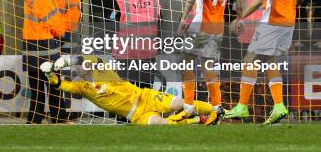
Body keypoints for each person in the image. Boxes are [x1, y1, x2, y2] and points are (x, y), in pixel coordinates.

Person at [226, 0, 305, 124]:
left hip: (272, 20)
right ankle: (279, 106)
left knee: (250, 58)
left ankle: (242, 106)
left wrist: (240, 18)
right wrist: (288, 8)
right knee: (271, 61)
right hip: (288, 22)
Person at [172, 0, 242, 125]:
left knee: (185, 62)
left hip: (201, 26)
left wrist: (182, 21)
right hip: (218, 28)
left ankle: (188, 108)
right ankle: (216, 108)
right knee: (208, 68)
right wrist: (239, 18)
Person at [39, 56, 215, 125]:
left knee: (181, 103)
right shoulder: (81, 87)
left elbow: (95, 59)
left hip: (145, 97)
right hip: (136, 115)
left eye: (78, 66)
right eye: (75, 68)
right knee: (164, 125)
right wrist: (49, 73)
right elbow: (60, 85)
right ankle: (196, 119)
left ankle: (217, 110)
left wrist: (71, 59)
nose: (76, 69)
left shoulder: (102, 71)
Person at [23, 0, 68, 124]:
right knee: (54, 86)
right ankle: (59, 118)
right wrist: (62, 35)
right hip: (45, 46)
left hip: (30, 47)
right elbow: (54, 24)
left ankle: (35, 119)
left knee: (36, 89)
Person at [110, 0, 161, 88]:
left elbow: (111, 25)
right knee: (145, 94)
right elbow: (160, 24)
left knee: (127, 96)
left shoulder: (121, 0)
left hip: (126, 55)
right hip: (148, 54)